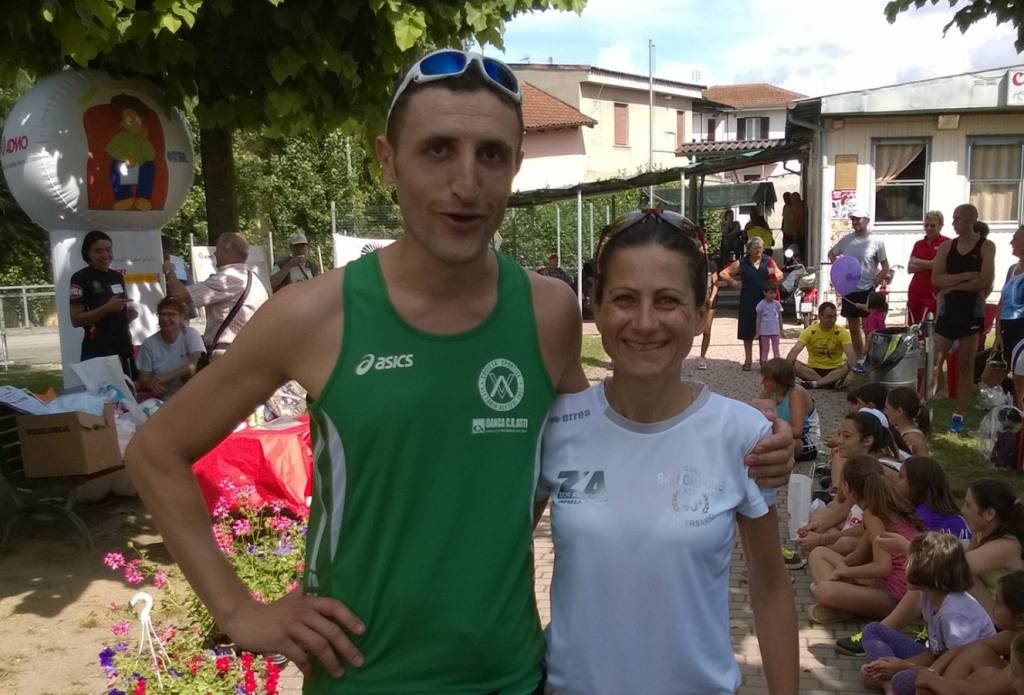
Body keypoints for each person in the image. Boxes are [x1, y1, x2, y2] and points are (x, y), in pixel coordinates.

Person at [126, 49, 796, 691]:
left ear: (516, 167)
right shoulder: (313, 314)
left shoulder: (546, 312)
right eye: (437, 149)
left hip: (511, 675)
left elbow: (604, 434)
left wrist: (743, 435)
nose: (466, 183)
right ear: (388, 161)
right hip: (364, 677)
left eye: (491, 155)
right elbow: (157, 449)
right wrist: (242, 612)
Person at [538, 209, 799, 695]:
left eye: (667, 301)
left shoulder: (743, 433)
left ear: (703, 312)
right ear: (595, 304)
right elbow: (502, 559)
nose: (643, 322)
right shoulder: (557, 426)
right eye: (624, 299)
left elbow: (770, 587)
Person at [860, 532, 996, 694]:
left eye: (910, 562)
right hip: (937, 660)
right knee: (873, 630)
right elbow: (935, 652)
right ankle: (886, 681)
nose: (904, 567)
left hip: (959, 675)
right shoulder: (928, 596)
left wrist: (902, 666)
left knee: (901, 680)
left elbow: (955, 668)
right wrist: (895, 665)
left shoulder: (955, 614)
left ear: (930, 573)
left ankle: (888, 683)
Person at [808, 454, 923, 624]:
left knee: (823, 590)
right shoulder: (882, 504)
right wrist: (843, 568)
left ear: (846, 487)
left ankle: (846, 606)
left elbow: (883, 567)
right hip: (893, 586)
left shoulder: (872, 513)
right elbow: (859, 553)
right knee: (819, 554)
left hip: (899, 599)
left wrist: (844, 572)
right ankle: (848, 603)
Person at [932, 204, 996, 433]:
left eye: (958, 219)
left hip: (972, 311)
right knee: (934, 360)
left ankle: (958, 414)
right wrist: (966, 276)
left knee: (966, 364)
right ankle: (924, 405)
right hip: (948, 310)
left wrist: (954, 285)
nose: (954, 223)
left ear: (971, 220)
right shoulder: (947, 247)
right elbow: (937, 279)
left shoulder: (986, 246)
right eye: (954, 218)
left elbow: (985, 281)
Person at [797, 413, 901, 556]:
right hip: (867, 525)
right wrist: (817, 527)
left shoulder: (877, 471)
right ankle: (821, 543)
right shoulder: (859, 464)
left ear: (867, 441)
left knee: (844, 543)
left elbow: (877, 525)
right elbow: (845, 504)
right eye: (839, 434)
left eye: (846, 437)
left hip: (889, 534)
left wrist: (821, 539)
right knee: (820, 516)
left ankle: (824, 550)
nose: (839, 441)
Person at [163, 232, 269, 361]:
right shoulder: (253, 278)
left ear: (226, 251)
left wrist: (169, 270)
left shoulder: (226, 278)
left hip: (228, 353)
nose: (214, 254)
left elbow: (180, 295)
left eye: (217, 250)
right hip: (248, 349)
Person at [913, 571, 1024, 695]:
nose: (992, 605)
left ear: (1020, 619)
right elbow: (965, 649)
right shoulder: (1015, 634)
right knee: (978, 654)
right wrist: (932, 671)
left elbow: (976, 691)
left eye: (998, 602)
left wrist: (932, 680)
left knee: (987, 674)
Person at [69, 230, 139, 379]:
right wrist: (107, 308)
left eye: (108, 250)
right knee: (104, 400)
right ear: (87, 253)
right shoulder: (80, 278)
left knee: (128, 397)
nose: (105, 255)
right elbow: (76, 320)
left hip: (122, 346)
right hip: (98, 350)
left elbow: (116, 310)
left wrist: (127, 315)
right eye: (98, 251)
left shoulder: (117, 276)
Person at [829, 207, 890, 359]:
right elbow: (831, 254)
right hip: (849, 289)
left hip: (867, 289)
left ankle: (873, 356)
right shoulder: (846, 240)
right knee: (854, 328)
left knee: (869, 326)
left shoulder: (877, 241)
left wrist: (876, 281)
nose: (855, 222)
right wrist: (839, 272)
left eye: (858, 218)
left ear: (867, 220)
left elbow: (886, 266)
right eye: (853, 219)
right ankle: (860, 358)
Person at [719, 236, 783, 370]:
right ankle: (748, 360)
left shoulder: (768, 260)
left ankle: (762, 360)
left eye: (761, 248)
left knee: (763, 330)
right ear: (749, 249)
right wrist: (734, 283)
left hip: (764, 299)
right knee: (747, 329)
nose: (759, 250)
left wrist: (774, 277)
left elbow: (780, 274)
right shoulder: (743, 262)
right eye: (756, 248)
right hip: (748, 298)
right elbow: (724, 274)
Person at [136, 297, 204, 398]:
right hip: (165, 398)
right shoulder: (149, 344)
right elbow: (144, 376)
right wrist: (151, 383)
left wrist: (165, 377)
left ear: (182, 317)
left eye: (171, 314)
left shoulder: (190, 334)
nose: (165, 318)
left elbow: (198, 361)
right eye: (162, 314)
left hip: (193, 393)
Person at [760, 358, 821, 463]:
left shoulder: (796, 393)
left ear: (780, 380)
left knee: (789, 444)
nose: (763, 382)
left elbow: (797, 431)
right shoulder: (771, 390)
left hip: (805, 439)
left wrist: (771, 430)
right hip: (780, 433)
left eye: (768, 379)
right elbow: (756, 414)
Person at [787, 302, 857, 389]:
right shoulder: (809, 331)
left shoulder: (842, 332)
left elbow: (851, 355)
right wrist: (785, 372)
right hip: (813, 369)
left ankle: (817, 384)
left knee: (847, 366)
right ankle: (829, 383)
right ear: (820, 316)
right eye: (829, 317)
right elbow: (794, 351)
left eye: (835, 316)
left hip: (835, 369)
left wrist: (852, 372)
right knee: (794, 364)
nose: (832, 320)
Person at [993, 224, 1024, 410]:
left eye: (1016, 238)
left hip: (1022, 328)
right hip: (1007, 327)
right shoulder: (1013, 268)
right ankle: (1007, 412)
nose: (1011, 242)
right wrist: (998, 333)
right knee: (989, 379)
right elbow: (1002, 301)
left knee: (1020, 380)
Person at [907, 210, 951, 324]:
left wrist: (918, 261)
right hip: (915, 290)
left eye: (933, 225)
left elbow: (942, 266)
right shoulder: (919, 244)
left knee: (929, 326)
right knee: (913, 326)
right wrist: (931, 264)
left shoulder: (946, 243)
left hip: (932, 291)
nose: (929, 228)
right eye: (926, 225)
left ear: (940, 226)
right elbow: (910, 268)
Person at [885, 386, 930, 457]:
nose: (885, 412)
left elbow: (926, 465)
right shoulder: (897, 429)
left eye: (887, 408)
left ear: (899, 411)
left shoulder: (915, 439)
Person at [696, 264, 719, 370]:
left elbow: (716, 283)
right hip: (696, 301)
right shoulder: (691, 263)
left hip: (709, 300)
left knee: (707, 330)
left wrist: (711, 298)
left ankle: (702, 357)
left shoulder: (711, 265)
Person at [756, 280, 784, 365]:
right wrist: (758, 331)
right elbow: (758, 319)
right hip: (764, 331)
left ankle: (777, 365)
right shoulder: (761, 304)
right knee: (765, 349)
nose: (772, 295)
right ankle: (764, 364)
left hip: (775, 330)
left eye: (774, 293)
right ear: (765, 292)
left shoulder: (777, 304)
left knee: (776, 348)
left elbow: (780, 317)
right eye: (770, 293)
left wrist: (781, 329)